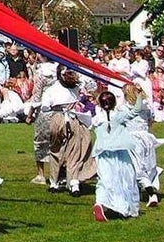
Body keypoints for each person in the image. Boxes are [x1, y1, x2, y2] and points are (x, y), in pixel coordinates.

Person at [91, 90, 144, 222]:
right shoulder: (119, 116)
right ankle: (123, 207)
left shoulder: (96, 119)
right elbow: (136, 110)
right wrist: (139, 94)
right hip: (119, 153)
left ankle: (100, 203)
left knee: (104, 180)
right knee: (124, 179)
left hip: (102, 153)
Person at [42, 69, 96, 196]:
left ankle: (59, 183)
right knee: (73, 151)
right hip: (66, 118)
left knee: (61, 151)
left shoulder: (52, 90)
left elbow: (45, 107)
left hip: (63, 118)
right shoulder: (72, 88)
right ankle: (72, 183)